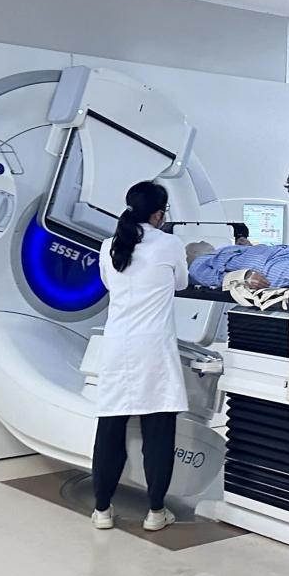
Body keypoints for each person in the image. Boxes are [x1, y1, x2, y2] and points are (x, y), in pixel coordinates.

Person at [90, 180, 188, 533]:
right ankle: (156, 512)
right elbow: (181, 283)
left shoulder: (108, 246)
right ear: (159, 214)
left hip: (117, 346)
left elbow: (108, 283)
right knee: (158, 433)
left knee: (110, 430)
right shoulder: (170, 244)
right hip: (154, 349)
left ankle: (102, 510)